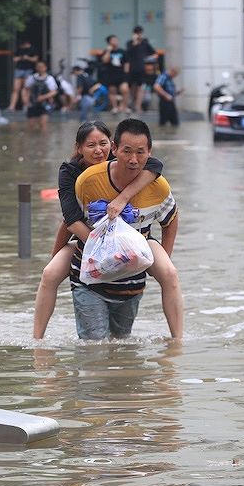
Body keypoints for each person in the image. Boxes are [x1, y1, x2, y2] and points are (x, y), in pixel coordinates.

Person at [32, 121, 182, 340]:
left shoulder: (127, 163)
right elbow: (70, 221)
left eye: (102, 143)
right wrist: (102, 246)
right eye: (91, 145)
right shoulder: (74, 175)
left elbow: (155, 165)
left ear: (111, 146)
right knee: (49, 273)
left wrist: (123, 198)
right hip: (88, 238)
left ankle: (177, 341)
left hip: (136, 239)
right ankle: (37, 340)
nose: (98, 150)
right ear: (79, 149)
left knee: (169, 273)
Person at [125, 26, 157, 112]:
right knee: (132, 88)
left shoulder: (145, 43)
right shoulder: (129, 43)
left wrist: (147, 59)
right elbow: (127, 54)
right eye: (137, 33)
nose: (139, 35)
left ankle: (138, 106)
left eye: (140, 33)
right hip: (131, 69)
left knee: (141, 87)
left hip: (141, 68)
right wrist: (134, 43)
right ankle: (132, 104)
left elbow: (154, 53)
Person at [22, 61, 58, 132]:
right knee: (31, 125)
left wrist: (43, 97)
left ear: (45, 68)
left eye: (41, 67)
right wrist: (25, 99)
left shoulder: (49, 78)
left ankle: (43, 141)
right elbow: (25, 89)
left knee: (43, 124)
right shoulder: (31, 78)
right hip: (33, 103)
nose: (40, 68)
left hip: (45, 104)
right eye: (38, 67)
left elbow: (54, 92)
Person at [99, 35, 130, 114]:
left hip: (121, 74)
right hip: (111, 74)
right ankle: (115, 107)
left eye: (116, 40)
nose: (115, 41)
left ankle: (124, 107)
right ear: (109, 42)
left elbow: (127, 63)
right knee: (112, 91)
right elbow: (105, 61)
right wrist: (108, 51)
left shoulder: (122, 51)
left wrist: (126, 74)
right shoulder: (106, 51)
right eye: (113, 40)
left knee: (125, 90)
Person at [7, 40, 38, 111]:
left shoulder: (33, 49)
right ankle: (12, 106)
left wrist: (27, 58)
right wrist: (21, 58)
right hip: (19, 69)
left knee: (26, 88)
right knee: (15, 89)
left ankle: (26, 104)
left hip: (28, 69)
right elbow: (14, 59)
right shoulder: (19, 49)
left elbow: (35, 59)